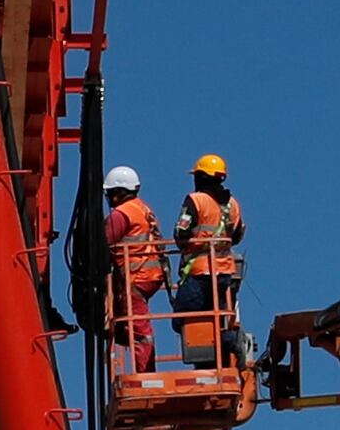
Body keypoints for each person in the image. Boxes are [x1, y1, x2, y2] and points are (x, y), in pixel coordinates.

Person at [171, 153, 244, 363]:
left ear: (201, 177)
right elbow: (237, 235)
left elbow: (180, 234)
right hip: (225, 273)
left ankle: (228, 341)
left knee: (183, 319)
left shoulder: (196, 200)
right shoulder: (233, 205)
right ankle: (218, 353)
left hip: (200, 272)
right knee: (217, 318)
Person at [99, 166, 167, 349]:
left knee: (139, 330)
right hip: (151, 275)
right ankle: (122, 329)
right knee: (129, 320)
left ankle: (145, 372)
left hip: (137, 276)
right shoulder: (143, 209)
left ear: (117, 193)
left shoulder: (122, 214)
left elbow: (103, 243)